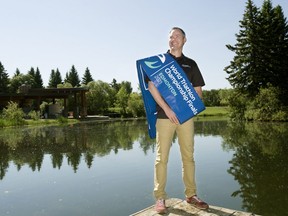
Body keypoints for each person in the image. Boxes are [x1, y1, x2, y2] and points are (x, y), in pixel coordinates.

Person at [147, 27, 209, 214]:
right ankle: (160, 198)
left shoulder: (191, 64)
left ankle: (191, 195)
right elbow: (151, 86)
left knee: (188, 157)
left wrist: (187, 110)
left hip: (185, 119)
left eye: (176, 36)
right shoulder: (158, 62)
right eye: (170, 37)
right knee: (161, 158)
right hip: (164, 117)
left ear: (184, 40)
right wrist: (167, 109)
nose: (172, 39)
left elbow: (198, 91)